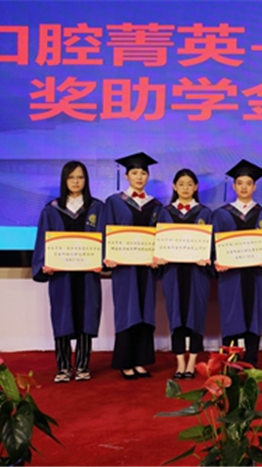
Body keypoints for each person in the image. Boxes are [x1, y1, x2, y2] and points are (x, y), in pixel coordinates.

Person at [32, 161, 104, 383]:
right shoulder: (51, 209)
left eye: (80, 177)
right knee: (62, 318)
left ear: (86, 180)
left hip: (87, 275)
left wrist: (101, 261)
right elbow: (42, 241)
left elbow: (104, 239)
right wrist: (44, 264)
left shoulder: (97, 208)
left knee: (86, 318)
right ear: (64, 180)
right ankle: (63, 367)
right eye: (71, 177)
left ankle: (83, 366)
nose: (75, 181)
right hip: (61, 276)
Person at [104, 152, 162, 380]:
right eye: (135, 173)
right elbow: (105, 231)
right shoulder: (114, 202)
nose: (139, 177)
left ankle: (140, 361)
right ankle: (125, 362)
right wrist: (108, 256)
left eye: (143, 173)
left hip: (146, 268)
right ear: (126, 176)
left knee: (145, 312)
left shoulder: (155, 205)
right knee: (127, 312)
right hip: (125, 269)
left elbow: (162, 236)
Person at [213, 159, 262, 367]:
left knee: (253, 316)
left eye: (248, 183)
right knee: (231, 314)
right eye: (239, 183)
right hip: (230, 276)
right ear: (234, 186)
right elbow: (214, 245)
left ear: (254, 187)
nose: (244, 187)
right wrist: (217, 261)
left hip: (256, 276)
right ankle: (229, 362)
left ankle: (251, 361)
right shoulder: (222, 214)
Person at [156, 169, 213, 379]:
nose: (185, 188)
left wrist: (207, 258)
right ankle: (180, 362)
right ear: (174, 186)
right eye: (181, 184)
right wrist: (159, 257)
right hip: (173, 272)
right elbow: (158, 242)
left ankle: (192, 362)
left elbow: (212, 244)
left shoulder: (205, 213)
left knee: (196, 316)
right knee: (176, 317)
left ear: (196, 187)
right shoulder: (165, 213)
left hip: (197, 274)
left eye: (190, 184)